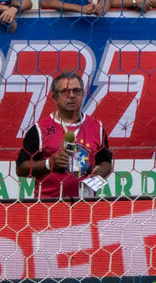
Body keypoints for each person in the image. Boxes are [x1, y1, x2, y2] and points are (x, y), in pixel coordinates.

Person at [15, 72, 113, 200]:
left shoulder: (97, 127)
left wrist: (100, 172)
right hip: (48, 206)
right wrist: (49, 164)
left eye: (76, 91)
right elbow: (20, 168)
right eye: (65, 92)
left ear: (83, 94)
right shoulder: (39, 129)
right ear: (55, 97)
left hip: (86, 205)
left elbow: (106, 162)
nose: (72, 96)